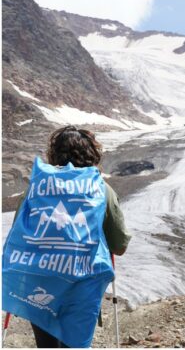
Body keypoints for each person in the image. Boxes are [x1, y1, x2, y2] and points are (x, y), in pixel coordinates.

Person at [4, 126, 130, 348]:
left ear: (54, 153)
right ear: (93, 153)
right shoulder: (102, 189)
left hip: (39, 281)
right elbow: (119, 245)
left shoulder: (36, 188)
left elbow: (18, 234)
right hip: (80, 284)